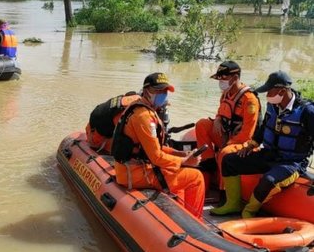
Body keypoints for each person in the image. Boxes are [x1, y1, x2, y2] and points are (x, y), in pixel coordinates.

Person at [210, 71, 314, 218]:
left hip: (292, 162)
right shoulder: (273, 105)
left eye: (269, 91)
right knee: (229, 161)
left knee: (269, 180)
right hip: (269, 154)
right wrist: (251, 145)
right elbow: (265, 127)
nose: (267, 95)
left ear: (282, 91)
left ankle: (249, 212)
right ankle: (233, 204)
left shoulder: (307, 112)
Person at [112, 72, 205, 218]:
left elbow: (155, 148)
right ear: (146, 90)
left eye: (165, 91)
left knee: (179, 169)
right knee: (196, 177)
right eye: (158, 91)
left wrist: (180, 154)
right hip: (135, 173)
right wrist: (186, 161)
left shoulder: (141, 109)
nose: (163, 94)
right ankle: (196, 223)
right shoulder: (143, 117)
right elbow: (156, 157)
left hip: (134, 167)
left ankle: (181, 214)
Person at [195, 61, 260, 193]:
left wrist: (227, 144)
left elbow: (247, 133)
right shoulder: (226, 94)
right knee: (202, 124)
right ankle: (209, 163)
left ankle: (223, 192)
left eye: (224, 78)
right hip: (227, 136)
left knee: (224, 153)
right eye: (219, 78)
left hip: (244, 143)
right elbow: (221, 111)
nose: (221, 82)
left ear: (235, 78)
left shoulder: (249, 100)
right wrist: (218, 118)